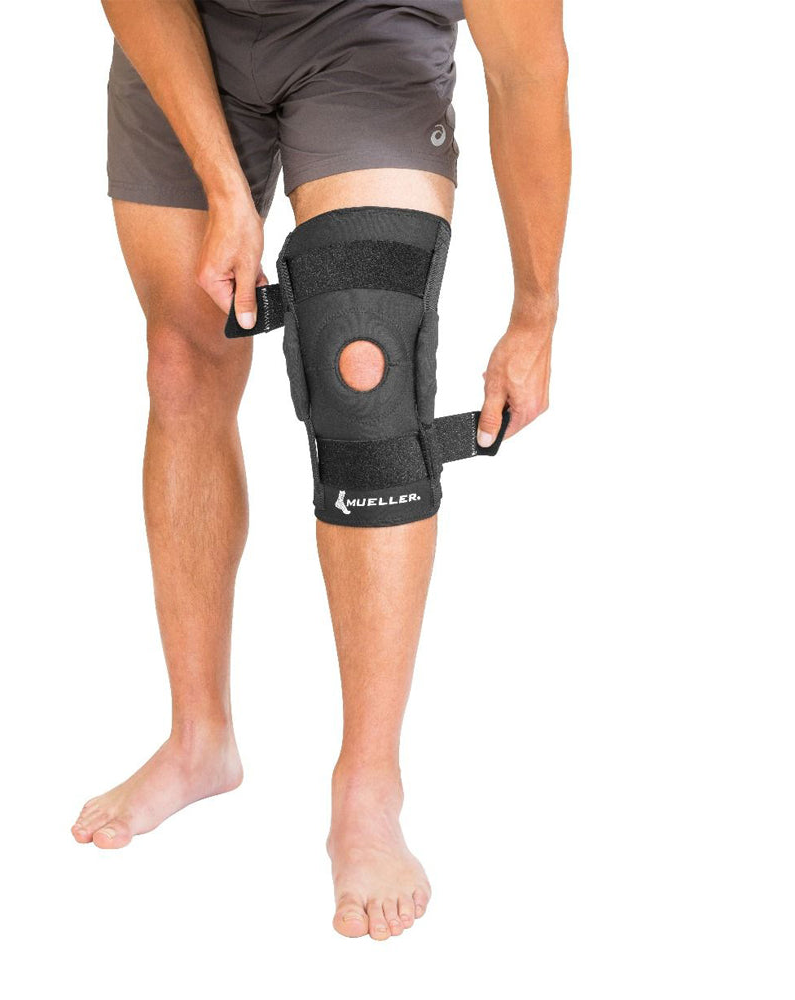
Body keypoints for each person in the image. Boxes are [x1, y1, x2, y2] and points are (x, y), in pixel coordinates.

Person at [72, 0, 570, 941]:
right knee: (183, 358)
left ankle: (368, 790)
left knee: (364, 353)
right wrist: (225, 187)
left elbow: (528, 73)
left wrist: (535, 312)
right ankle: (199, 740)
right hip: (191, 26)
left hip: (370, 31)